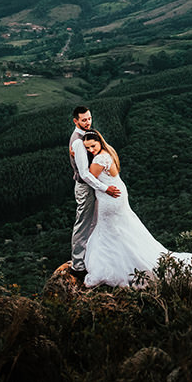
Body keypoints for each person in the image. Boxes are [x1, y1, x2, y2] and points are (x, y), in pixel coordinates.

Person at [80, 130, 192, 290]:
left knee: (108, 232)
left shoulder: (99, 158)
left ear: (99, 141)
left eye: (92, 146)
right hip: (117, 196)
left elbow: (89, 178)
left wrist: (78, 160)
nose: (91, 150)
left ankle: (112, 267)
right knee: (120, 230)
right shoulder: (108, 152)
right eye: (87, 148)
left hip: (109, 198)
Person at [68, 106, 120, 278]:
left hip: (92, 187)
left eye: (89, 118)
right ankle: (77, 265)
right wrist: (106, 188)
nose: (88, 122)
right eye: (84, 120)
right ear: (75, 121)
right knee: (83, 224)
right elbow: (84, 174)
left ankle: (89, 259)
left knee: (93, 223)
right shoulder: (77, 141)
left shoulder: (87, 136)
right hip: (85, 187)